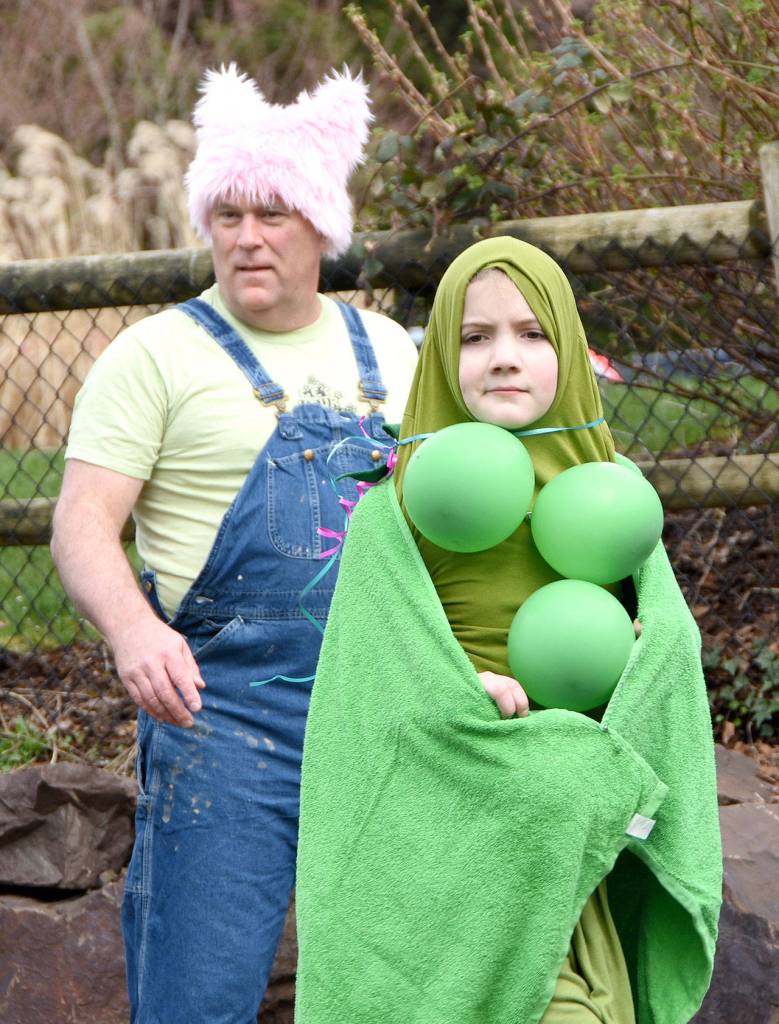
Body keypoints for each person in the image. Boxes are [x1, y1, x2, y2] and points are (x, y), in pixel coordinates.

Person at [51, 63, 418, 1023]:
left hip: (383, 710)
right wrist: (134, 631)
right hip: (224, 723)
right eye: (228, 214)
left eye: (273, 213)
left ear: (321, 225)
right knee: (198, 996)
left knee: (395, 988)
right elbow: (81, 525)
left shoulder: (393, 353)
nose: (247, 237)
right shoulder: (153, 356)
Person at [295, 237, 722, 1023]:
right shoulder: (402, 506)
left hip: (570, 824)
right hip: (455, 823)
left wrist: (639, 660)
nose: (503, 357)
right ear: (439, 356)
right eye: (473, 336)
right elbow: (372, 669)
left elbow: (667, 640)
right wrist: (454, 690)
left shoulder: (609, 491)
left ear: (569, 349)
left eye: (532, 334)